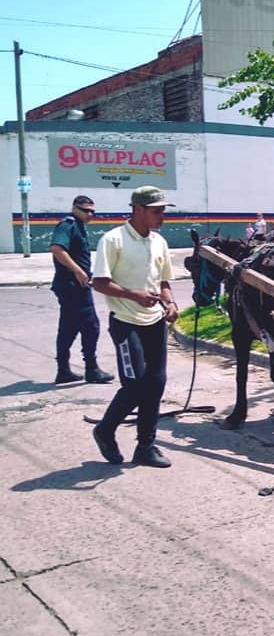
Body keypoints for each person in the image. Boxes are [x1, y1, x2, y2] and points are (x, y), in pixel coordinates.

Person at [90, 186, 179, 468]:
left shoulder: (159, 242)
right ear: (138, 209)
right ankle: (105, 430)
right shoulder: (113, 240)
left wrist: (171, 303)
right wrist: (133, 295)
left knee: (156, 384)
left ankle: (146, 446)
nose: (162, 216)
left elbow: (163, 282)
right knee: (135, 385)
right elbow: (99, 282)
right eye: (157, 211)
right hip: (125, 322)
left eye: (164, 210)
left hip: (154, 323)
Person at [49, 195, 114, 385]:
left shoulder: (78, 226)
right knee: (91, 326)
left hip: (72, 285)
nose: (90, 214)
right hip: (72, 286)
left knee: (68, 328)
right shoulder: (68, 225)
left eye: (92, 211)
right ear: (74, 208)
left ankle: (63, 370)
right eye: (85, 210)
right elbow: (57, 248)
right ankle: (92, 369)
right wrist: (78, 271)